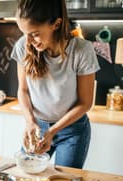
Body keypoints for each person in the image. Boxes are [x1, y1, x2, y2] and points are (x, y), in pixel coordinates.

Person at [11, 0, 100, 169]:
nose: (28, 41)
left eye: (35, 34)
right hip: (37, 127)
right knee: (25, 178)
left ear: (56, 24)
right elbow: (22, 91)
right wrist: (30, 121)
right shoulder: (23, 46)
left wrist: (52, 132)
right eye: (24, 33)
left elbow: (85, 103)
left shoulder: (82, 51)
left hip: (72, 130)